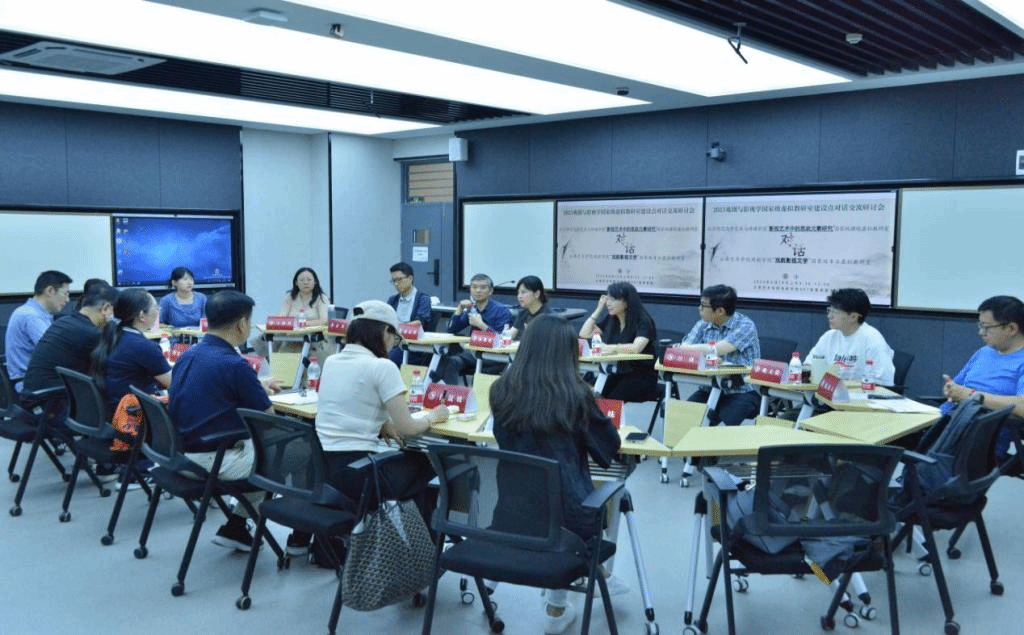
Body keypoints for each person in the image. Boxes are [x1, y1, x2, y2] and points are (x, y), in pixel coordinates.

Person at [489, 314, 623, 634]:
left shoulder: (500, 391)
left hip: (511, 516)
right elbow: (608, 448)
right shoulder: (575, 395)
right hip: (569, 523)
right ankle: (558, 605)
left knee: (551, 494)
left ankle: (586, 585)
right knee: (596, 494)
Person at [168, 290, 303, 553]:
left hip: (181, 455)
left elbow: (209, 390)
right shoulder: (235, 365)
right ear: (242, 324)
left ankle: (237, 526)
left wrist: (254, 385)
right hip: (214, 460)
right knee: (292, 451)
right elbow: (269, 425)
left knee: (260, 452)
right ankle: (302, 539)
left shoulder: (188, 356)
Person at [315, 300, 449, 524]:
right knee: (425, 465)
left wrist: (382, 423)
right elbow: (408, 428)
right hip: (361, 476)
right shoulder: (382, 366)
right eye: (395, 338)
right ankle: (421, 540)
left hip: (324, 472)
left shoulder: (331, 361)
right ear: (386, 331)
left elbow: (350, 405)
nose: (393, 345)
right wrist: (433, 416)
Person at [940, 295, 1024, 458]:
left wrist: (972, 396)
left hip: (980, 438)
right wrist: (951, 390)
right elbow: (956, 386)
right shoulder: (984, 352)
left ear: (1011, 328)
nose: (981, 333)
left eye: (986, 327)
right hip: (948, 422)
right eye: (980, 326)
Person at [676, 284, 761, 425]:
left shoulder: (745, 326)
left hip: (741, 390)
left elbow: (717, 349)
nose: (699, 308)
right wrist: (694, 350)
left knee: (723, 425)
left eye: (703, 305)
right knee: (683, 419)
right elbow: (685, 349)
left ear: (720, 311)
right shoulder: (703, 324)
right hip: (710, 387)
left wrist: (694, 349)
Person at [22, 282, 117, 394]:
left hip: (34, 392)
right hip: (50, 398)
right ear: (105, 308)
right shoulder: (90, 333)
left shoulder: (64, 321)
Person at [90, 288, 171, 414]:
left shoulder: (115, 334)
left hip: (114, 408)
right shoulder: (144, 346)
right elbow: (174, 384)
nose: (158, 311)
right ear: (141, 315)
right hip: (134, 414)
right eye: (156, 307)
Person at [578, 281, 660, 402]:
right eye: (607, 299)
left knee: (610, 399)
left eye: (613, 299)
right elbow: (584, 333)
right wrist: (598, 309)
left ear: (626, 302)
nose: (608, 303)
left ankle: (606, 414)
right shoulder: (612, 319)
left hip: (641, 376)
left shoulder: (643, 321)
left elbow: (636, 348)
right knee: (588, 394)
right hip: (618, 372)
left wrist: (612, 348)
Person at [807, 288, 895, 384]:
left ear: (853, 317)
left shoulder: (873, 339)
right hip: (830, 391)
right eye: (829, 310)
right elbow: (809, 366)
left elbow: (883, 380)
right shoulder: (828, 337)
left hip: (861, 392)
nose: (829, 316)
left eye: (834, 312)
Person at [437, 273, 513, 381]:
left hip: (494, 357)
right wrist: (459, 308)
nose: (478, 291)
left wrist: (481, 325)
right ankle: (449, 391)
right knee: (448, 361)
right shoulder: (472, 309)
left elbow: (503, 340)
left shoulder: (501, 311)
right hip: (474, 354)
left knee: (453, 360)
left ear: (491, 291)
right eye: (474, 287)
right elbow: (451, 330)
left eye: (482, 288)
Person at [5, 270, 73, 387]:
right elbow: (54, 352)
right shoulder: (32, 317)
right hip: (31, 385)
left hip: (31, 379)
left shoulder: (29, 311)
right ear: (50, 291)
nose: (68, 300)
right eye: (65, 294)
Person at [255, 266, 333, 361]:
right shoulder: (290, 297)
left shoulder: (321, 298)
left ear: (315, 282)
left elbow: (324, 320)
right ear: (296, 282)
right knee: (266, 337)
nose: (305, 282)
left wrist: (304, 324)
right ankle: (264, 362)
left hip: (313, 338)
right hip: (291, 336)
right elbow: (281, 317)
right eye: (302, 280)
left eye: (309, 280)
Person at [386, 261, 435, 367]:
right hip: (393, 342)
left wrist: (397, 331)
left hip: (413, 345)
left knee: (389, 358)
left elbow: (419, 322)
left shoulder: (422, 299)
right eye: (393, 281)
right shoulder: (393, 300)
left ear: (410, 278)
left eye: (399, 279)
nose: (396, 284)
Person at [509, 275, 550, 341]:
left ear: (537, 294)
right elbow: (509, 336)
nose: (519, 296)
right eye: (518, 293)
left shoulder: (548, 317)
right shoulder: (522, 314)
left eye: (523, 292)